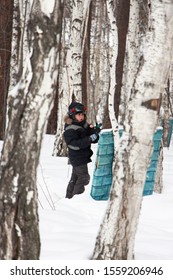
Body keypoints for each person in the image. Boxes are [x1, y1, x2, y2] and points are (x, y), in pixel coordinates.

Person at [63, 101, 101, 199]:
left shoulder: (83, 125)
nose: (81, 117)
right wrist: (89, 138)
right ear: (72, 115)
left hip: (82, 157)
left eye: (82, 115)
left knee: (75, 177)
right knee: (84, 178)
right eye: (78, 115)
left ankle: (69, 198)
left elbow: (94, 139)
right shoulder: (70, 129)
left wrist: (95, 131)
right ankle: (76, 199)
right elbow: (74, 144)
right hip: (77, 157)